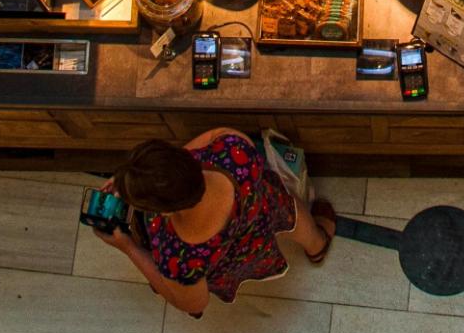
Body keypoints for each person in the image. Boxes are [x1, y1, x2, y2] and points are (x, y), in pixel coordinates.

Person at [93, 130, 337, 317]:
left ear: (164, 211)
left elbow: (193, 303)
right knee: (290, 210)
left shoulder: (178, 255)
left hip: (233, 259)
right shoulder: (233, 153)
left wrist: (128, 247)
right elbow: (220, 133)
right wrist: (148, 176)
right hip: (261, 208)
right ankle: (317, 244)